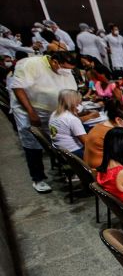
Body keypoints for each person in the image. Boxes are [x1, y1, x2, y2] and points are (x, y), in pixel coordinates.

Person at [9, 51, 79, 193]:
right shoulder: (31, 64)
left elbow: (69, 90)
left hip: (54, 111)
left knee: (62, 140)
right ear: (55, 62)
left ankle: (68, 170)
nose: (67, 72)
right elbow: (18, 88)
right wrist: (31, 112)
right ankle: (38, 179)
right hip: (29, 110)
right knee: (33, 143)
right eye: (65, 68)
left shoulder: (65, 70)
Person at [48, 89, 90, 157]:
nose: (79, 104)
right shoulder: (72, 119)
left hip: (60, 149)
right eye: (78, 102)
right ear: (73, 102)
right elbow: (86, 143)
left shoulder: (54, 113)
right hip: (73, 153)